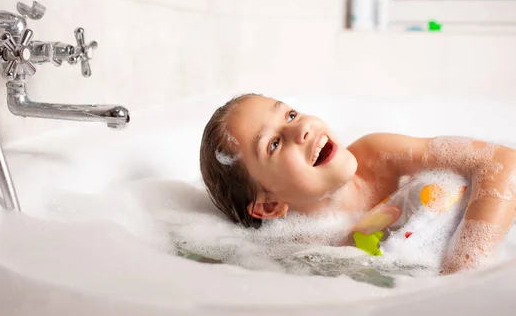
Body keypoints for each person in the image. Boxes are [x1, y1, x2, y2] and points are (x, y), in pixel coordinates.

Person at [199, 93, 516, 274]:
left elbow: (504, 161)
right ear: (269, 206)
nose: (302, 129)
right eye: (274, 144)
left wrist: (463, 269)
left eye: (291, 114)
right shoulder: (305, 256)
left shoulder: (378, 155)